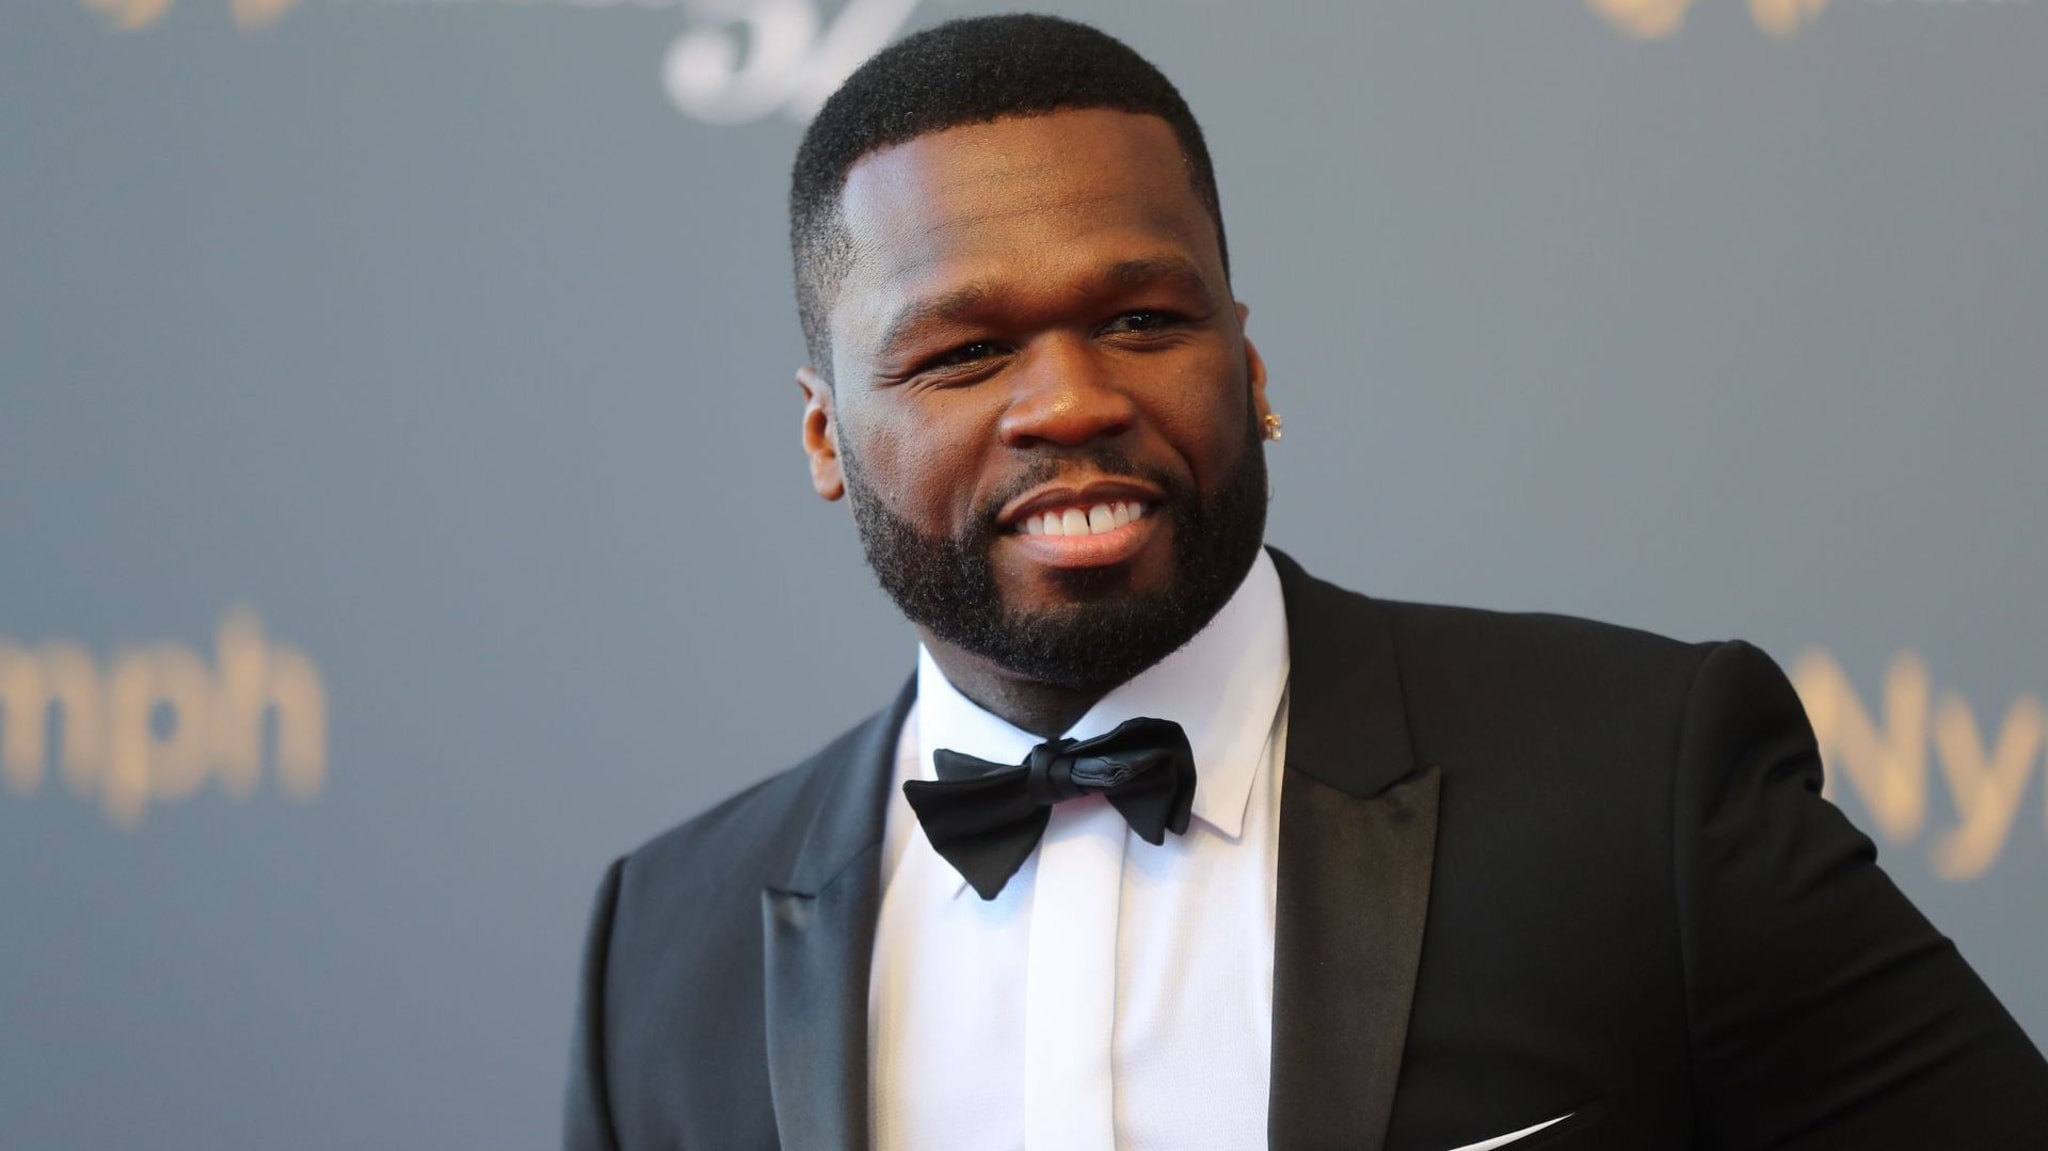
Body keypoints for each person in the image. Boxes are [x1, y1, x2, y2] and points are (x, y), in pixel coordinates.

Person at [562, 14, 2048, 1151]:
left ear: (1249, 361)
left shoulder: (1639, 786)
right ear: (827, 434)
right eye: (964, 352)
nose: (1069, 400)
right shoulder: (668, 940)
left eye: (1142, 318)